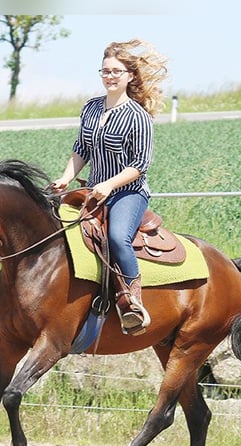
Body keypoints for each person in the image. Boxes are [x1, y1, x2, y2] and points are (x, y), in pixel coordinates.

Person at [53, 39, 168, 336]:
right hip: (93, 190)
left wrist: (108, 184)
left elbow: (139, 164)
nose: (110, 76)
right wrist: (66, 177)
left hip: (127, 193)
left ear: (130, 75)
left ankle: (132, 302)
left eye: (116, 71)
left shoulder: (138, 117)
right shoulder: (91, 108)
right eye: (105, 71)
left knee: (117, 238)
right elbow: (82, 148)